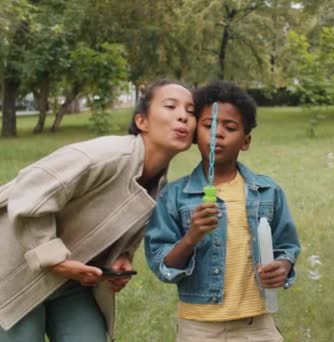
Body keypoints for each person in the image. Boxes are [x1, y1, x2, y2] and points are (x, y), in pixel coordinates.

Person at [0, 79, 197, 341]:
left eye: (191, 111)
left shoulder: (160, 186)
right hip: (15, 269)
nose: (183, 116)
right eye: (171, 106)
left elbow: (122, 233)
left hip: (69, 281)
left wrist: (121, 258)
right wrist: (54, 259)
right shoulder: (106, 156)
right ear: (142, 122)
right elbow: (30, 191)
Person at [145, 80, 300, 342]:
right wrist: (191, 237)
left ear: (246, 141)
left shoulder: (267, 191)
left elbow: (286, 245)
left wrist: (283, 265)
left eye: (230, 127)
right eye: (209, 126)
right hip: (199, 327)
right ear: (195, 134)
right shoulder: (174, 197)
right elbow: (163, 266)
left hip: (257, 324)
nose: (218, 133)